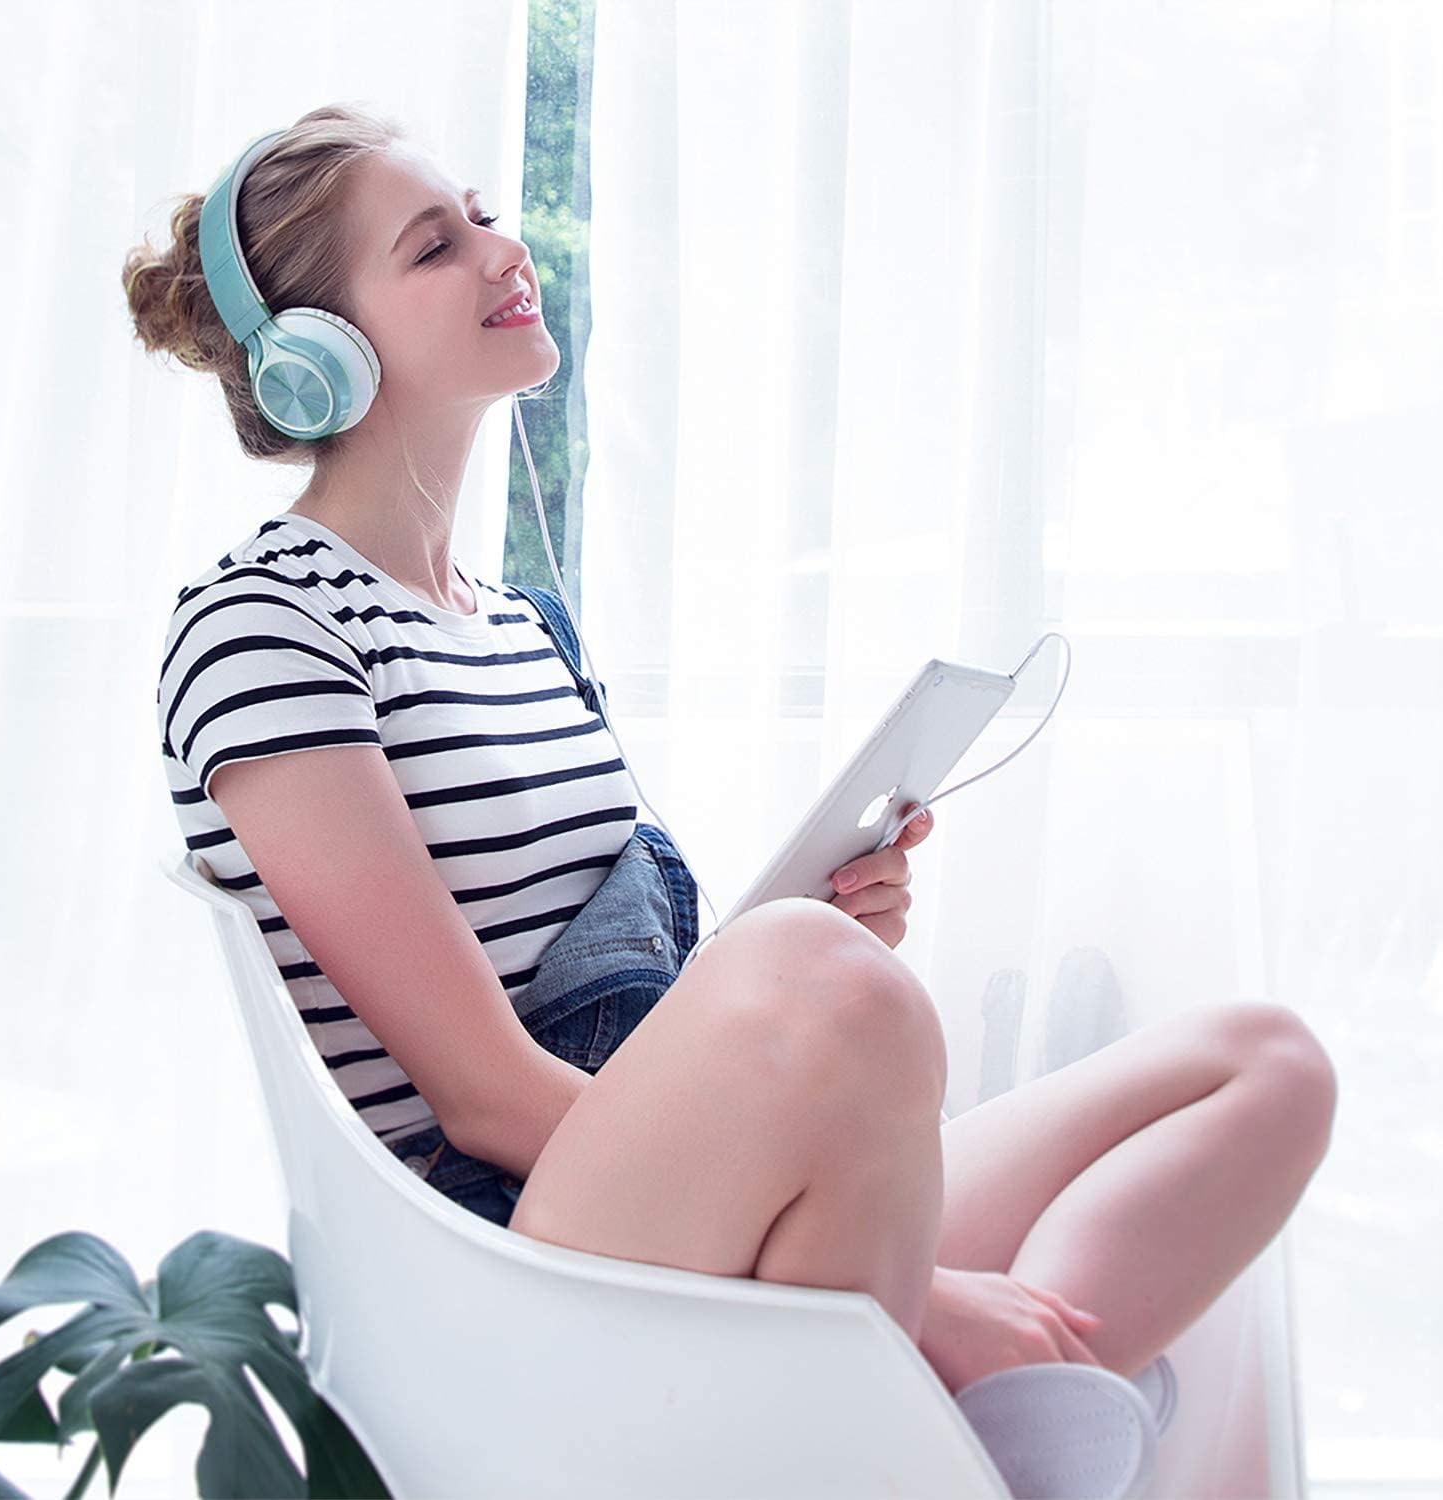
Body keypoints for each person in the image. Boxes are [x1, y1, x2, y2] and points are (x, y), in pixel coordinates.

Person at [122, 102, 1338, 1402]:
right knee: (817, 978)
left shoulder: (527, 628)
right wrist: (916, 1266)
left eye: (481, 216)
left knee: (1263, 1063)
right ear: (319, 359)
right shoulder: (266, 625)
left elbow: (639, 1016)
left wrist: (817, 967)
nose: (503, 250)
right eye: (434, 246)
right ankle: (961, 1378)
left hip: (647, 1190)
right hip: (502, 1257)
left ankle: (1028, 1396)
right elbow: (483, 1098)